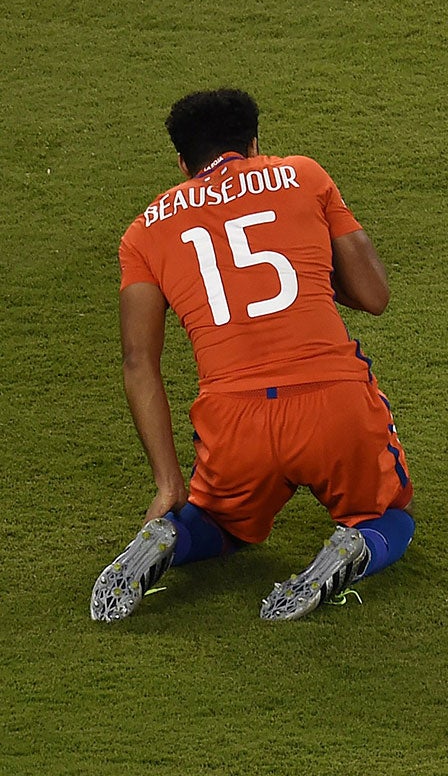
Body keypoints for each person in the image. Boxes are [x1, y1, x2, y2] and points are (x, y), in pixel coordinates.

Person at [91, 89, 414, 623]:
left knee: (220, 524)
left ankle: (170, 537)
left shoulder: (143, 232)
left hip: (234, 421)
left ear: (181, 161)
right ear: (255, 143)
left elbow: (138, 363)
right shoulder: (304, 175)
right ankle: (353, 549)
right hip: (333, 404)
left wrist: (170, 485)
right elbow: (375, 294)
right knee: (388, 515)